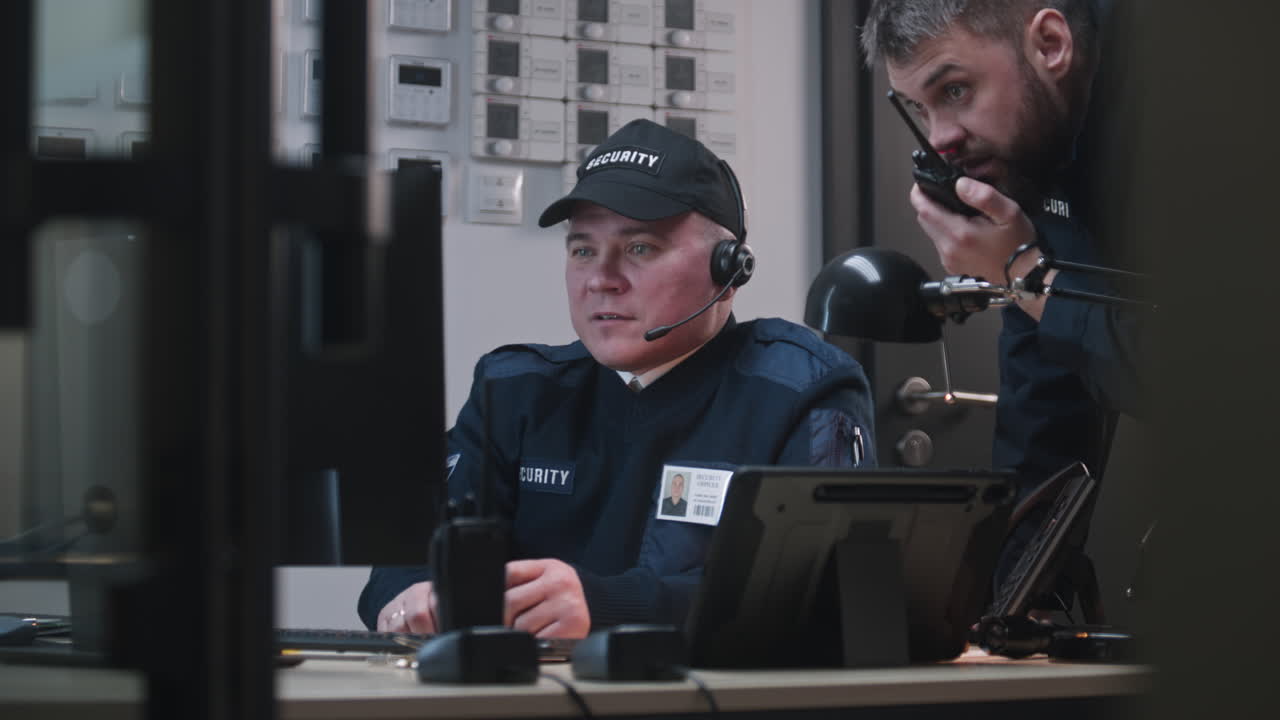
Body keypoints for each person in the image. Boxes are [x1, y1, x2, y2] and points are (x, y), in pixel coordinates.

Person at [358, 119, 876, 638]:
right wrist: (414, 595)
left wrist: (605, 606)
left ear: (730, 269)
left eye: (640, 248)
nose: (601, 280)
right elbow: (405, 557)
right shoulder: (515, 390)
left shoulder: (800, 387)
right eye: (583, 250)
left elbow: (821, 592)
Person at [862, 0, 1144, 607]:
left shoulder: (1193, 100)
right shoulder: (1028, 150)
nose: (940, 139)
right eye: (919, 107)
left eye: (956, 89)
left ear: (1049, 43)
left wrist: (1023, 275)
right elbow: (1045, 397)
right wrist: (1013, 608)